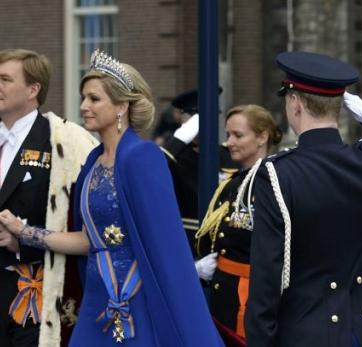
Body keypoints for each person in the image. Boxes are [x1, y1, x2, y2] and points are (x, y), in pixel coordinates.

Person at [0, 49, 223, 346]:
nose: (83, 106)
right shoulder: (93, 159)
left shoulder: (143, 156)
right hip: (96, 301)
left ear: (121, 106)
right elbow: (90, 239)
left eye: (94, 99)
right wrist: (24, 232)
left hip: (134, 302)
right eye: (83, 98)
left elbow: (165, 245)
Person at [244, 51, 362, 347]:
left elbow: (267, 278)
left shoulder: (277, 174)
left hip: (307, 333)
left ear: (295, 103)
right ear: (340, 108)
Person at [0, 48, 98, 347]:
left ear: (33, 89)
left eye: (4, 79)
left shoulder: (64, 142)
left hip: (30, 292)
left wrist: (22, 241)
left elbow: (81, 224)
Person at [193, 104, 281, 340]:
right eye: (228, 134)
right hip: (224, 293)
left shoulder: (274, 184)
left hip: (252, 299)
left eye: (238, 135)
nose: (229, 142)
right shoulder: (232, 184)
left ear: (262, 137)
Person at [160, 89, 240, 249]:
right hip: (185, 242)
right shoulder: (173, 156)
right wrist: (178, 141)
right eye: (195, 120)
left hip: (223, 243)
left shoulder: (227, 155)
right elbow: (150, 174)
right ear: (184, 121)